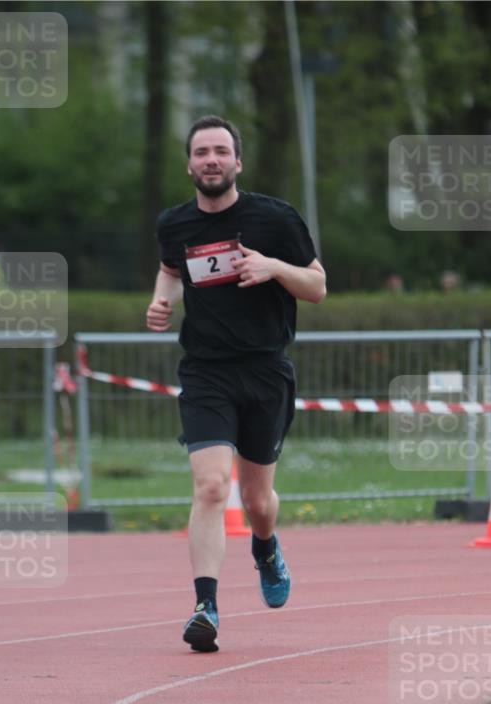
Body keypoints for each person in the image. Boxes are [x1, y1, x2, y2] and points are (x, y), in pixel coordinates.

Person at [146, 115, 326, 652]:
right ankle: (206, 607)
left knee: (257, 500)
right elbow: (171, 270)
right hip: (206, 371)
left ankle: (265, 548)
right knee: (210, 486)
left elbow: (317, 285)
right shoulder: (174, 224)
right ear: (189, 165)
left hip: (265, 371)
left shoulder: (275, 219)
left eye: (221, 151)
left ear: (237, 162)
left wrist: (273, 267)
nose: (211, 160)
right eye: (202, 152)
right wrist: (161, 302)